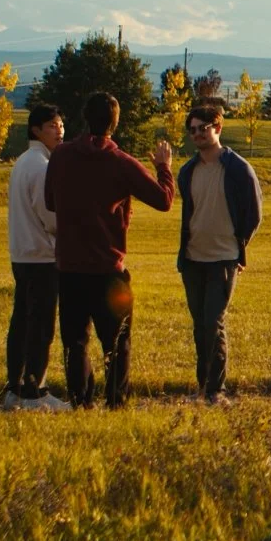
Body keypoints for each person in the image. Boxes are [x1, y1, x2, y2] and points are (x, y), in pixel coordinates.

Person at [44, 92, 173, 409]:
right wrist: (164, 167)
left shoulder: (61, 156)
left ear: (85, 118)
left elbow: (50, 202)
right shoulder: (121, 163)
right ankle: (116, 402)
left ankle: (81, 401)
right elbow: (164, 200)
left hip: (70, 268)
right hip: (108, 270)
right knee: (117, 342)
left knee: (75, 342)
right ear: (116, 123)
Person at [176, 104, 263, 405]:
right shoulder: (187, 171)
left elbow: (253, 215)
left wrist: (239, 250)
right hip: (192, 259)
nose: (198, 134)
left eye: (204, 127)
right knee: (200, 324)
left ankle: (216, 391)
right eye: (193, 129)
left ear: (218, 128)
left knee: (214, 321)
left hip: (223, 259)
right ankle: (202, 388)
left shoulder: (238, 169)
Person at [4, 104, 69, 411]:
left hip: (21, 253)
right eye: (52, 126)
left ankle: (14, 388)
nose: (59, 131)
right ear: (36, 131)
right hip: (42, 256)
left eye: (60, 125)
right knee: (41, 325)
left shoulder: (23, 162)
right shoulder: (42, 166)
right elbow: (51, 217)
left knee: (22, 322)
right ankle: (35, 391)